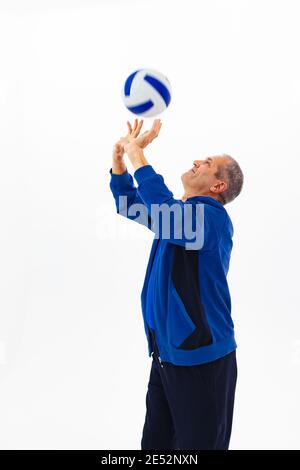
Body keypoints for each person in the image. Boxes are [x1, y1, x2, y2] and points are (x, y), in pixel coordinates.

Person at [109, 118, 244, 450]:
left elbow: (164, 212)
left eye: (208, 164)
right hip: (167, 356)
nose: (197, 161)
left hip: (203, 361)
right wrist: (119, 163)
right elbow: (129, 205)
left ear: (218, 186)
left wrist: (139, 155)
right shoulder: (180, 217)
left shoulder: (211, 220)